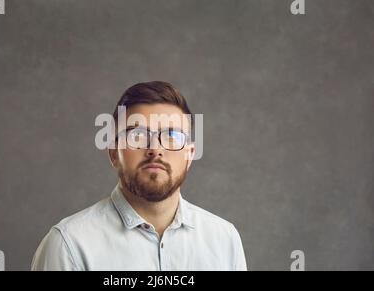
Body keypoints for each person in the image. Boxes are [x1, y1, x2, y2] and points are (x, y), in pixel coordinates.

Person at [31, 81, 247, 271]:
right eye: (138, 135)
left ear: (189, 155)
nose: (155, 149)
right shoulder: (68, 244)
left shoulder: (224, 240)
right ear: (114, 153)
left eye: (172, 135)